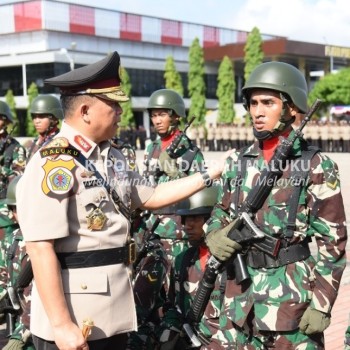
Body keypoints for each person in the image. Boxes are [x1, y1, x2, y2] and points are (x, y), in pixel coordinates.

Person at [16, 51, 224, 350]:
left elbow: (151, 196)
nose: (120, 111)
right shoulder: (54, 163)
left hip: (113, 311)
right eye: (113, 104)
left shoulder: (110, 157)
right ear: (85, 110)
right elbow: (39, 247)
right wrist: (62, 326)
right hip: (77, 319)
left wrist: (209, 174)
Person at [204, 61, 347, 349]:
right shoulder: (237, 162)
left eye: (268, 102)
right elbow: (219, 211)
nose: (257, 112)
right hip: (237, 300)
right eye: (253, 103)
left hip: (289, 303)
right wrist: (214, 233)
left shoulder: (316, 166)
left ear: (292, 108)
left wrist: (321, 303)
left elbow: (333, 241)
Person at [140, 88, 206, 279]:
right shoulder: (151, 149)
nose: (157, 120)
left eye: (162, 114)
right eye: (153, 116)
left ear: (176, 116)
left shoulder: (191, 153)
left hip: (178, 234)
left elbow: (200, 195)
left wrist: (176, 173)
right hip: (152, 230)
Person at [159, 185, 226, 350]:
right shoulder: (183, 260)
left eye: (195, 218)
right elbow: (175, 307)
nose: (188, 226)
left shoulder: (232, 262)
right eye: (185, 219)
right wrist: (168, 334)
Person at [0, 175, 35, 350]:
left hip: (43, 332)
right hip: (19, 327)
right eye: (17, 208)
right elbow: (3, 282)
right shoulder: (11, 242)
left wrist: (20, 336)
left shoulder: (58, 244)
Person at [24, 94, 63, 161]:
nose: (36, 121)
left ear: (54, 118)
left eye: (41, 116)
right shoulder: (31, 144)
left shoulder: (63, 142)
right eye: (34, 117)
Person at [0, 101, 26, 199]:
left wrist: (2, 171)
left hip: (3, 204)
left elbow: (20, 177)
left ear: (5, 121)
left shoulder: (15, 147)